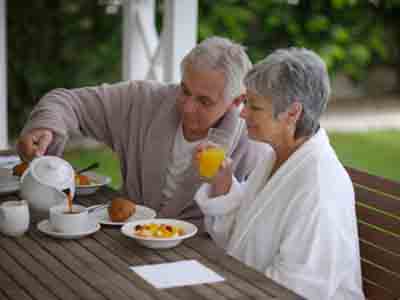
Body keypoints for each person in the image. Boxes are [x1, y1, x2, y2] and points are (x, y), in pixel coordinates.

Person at [17, 37, 263, 228]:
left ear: (236, 101)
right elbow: (66, 100)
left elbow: (244, 233)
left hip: (197, 260)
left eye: (204, 101)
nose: (187, 107)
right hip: (124, 238)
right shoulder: (142, 101)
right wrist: (44, 126)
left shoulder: (253, 147)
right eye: (185, 90)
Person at [194, 48, 365, 299]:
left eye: (255, 106)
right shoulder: (277, 156)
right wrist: (223, 182)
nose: (243, 113)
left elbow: (297, 289)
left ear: (292, 113)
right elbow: (240, 239)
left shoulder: (319, 188)